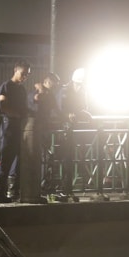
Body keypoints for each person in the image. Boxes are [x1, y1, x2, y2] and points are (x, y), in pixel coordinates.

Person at [0, 59, 31, 203]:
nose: (24, 77)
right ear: (15, 70)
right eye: (23, 73)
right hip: (9, 126)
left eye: (27, 75)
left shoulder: (21, 89)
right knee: (6, 159)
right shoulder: (6, 86)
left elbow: (24, 107)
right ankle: (0, 192)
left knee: (19, 160)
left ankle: (14, 191)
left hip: (20, 127)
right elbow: (3, 106)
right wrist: (18, 115)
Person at [28, 72, 63, 202]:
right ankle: (39, 187)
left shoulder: (50, 95)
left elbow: (57, 111)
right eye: (53, 85)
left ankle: (43, 186)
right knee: (41, 158)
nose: (54, 88)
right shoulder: (37, 93)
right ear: (47, 82)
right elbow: (35, 102)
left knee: (46, 158)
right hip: (34, 131)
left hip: (44, 130)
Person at [58, 67, 91, 200]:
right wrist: (68, 115)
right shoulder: (65, 90)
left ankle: (70, 189)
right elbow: (59, 110)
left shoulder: (82, 91)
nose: (80, 87)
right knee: (66, 159)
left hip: (77, 129)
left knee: (76, 159)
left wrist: (83, 113)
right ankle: (64, 189)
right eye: (79, 84)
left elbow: (84, 107)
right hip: (65, 129)